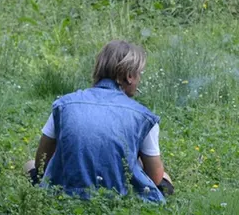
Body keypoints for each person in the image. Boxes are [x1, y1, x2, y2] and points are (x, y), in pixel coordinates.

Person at [24, 41, 174, 202]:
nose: (140, 80)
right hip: (119, 197)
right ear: (130, 76)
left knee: (29, 164)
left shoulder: (64, 105)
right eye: (140, 74)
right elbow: (156, 177)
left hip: (65, 193)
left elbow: (42, 160)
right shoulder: (143, 116)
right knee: (165, 177)